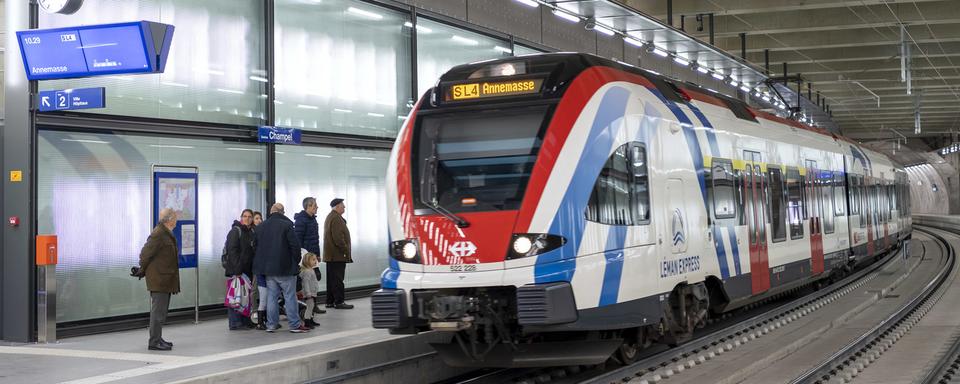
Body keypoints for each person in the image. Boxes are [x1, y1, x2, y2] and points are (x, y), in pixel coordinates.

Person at [253, 203, 310, 333]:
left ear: (271, 212)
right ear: (282, 212)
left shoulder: (261, 226)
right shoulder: (287, 225)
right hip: (285, 268)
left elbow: (256, 247)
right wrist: (295, 261)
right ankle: (294, 325)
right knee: (290, 296)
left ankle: (271, 325)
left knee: (271, 297)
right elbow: (295, 247)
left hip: (268, 270)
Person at [138, 208, 180, 351]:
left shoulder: (166, 233)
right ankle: (154, 341)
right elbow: (145, 254)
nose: (176, 220)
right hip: (159, 279)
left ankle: (158, 338)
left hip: (165, 279)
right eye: (175, 217)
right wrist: (142, 270)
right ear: (169, 219)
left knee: (161, 312)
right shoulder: (159, 233)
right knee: (158, 312)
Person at [224, 209, 256, 330]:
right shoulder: (235, 231)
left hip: (248, 270)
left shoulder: (252, 231)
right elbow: (232, 251)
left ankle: (245, 320)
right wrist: (237, 270)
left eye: (249, 217)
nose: (247, 219)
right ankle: (235, 322)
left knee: (245, 296)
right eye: (245, 216)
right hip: (237, 271)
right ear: (241, 217)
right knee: (235, 295)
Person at [294, 197, 325, 315]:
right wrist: (304, 258)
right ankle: (309, 306)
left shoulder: (312, 219)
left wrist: (317, 255)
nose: (317, 208)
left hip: (313, 257)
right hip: (306, 258)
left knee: (315, 280)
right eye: (314, 206)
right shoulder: (301, 221)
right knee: (308, 282)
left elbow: (315, 240)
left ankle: (313, 305)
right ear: (308, 206)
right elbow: (298, 241)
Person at [323, 198, 353, 309]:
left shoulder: (331, 216)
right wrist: (346, 250)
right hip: (337, 255)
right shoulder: (336, 218)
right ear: (337, 206)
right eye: (343, 205)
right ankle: (339, 302)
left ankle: (330, 301)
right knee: (338, 280)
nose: (344, 207)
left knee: (331, 280)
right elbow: (338, 238)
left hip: (331, 255)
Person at [251, 210, 268, 330]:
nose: (259, 220)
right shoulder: (252, 232)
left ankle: (261, 311)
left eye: (260, 218)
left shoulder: (263, 231)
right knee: (255, 289)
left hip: (261, 265)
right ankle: (254, 309)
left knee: (260, 289)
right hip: (255, 265)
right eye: (256, 218)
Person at [299, 252, 322, 328]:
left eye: (315, 259)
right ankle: (307, 322)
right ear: (307, 261)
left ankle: (311, 320)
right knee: (309, 307)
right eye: (313, 260)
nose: (315, 261)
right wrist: (308, 293)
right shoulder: (307, 271)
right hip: (309, 293)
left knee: (312, 307)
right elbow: (305, 283)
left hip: (312, 292)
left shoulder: (311, 269)